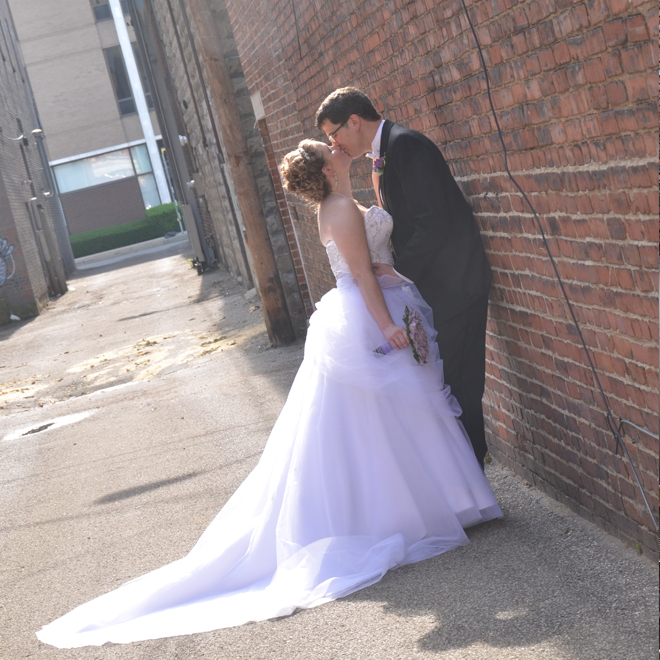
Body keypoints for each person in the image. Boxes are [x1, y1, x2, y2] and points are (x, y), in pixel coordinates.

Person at [36, 139, 501, 649]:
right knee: (383, 418)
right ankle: (410, 514)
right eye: (328, 146)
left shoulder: (347, 198)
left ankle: (444, 503)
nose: (336, 144)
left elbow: (373, 260)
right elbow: (359, 272)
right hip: (369, 315)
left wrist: (392, 273)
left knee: (404, 412)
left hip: (385, 297)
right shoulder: (339, 207)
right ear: (326, 168)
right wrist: (387, 323)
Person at [316, 87, 492, 468]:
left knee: (461, 382)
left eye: (334, 133)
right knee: (447, 381)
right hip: (437, 286)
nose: (334, 142)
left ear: (355, 122)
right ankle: (466, 473)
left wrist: (398, 269)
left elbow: (433, 221)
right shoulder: (385, 152)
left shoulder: (406, 146)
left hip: (456, 284)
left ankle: (473, 472)